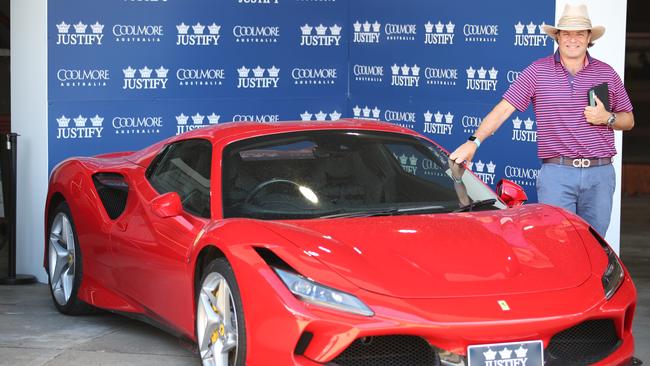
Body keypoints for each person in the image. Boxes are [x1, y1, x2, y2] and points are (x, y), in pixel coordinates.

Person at [449, 3, 634, 235]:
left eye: (580, 33)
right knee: (557, 242)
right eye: (566, 33)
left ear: (589, 38)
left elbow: (628, 120)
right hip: (557, 174)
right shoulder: (537, 71)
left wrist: (608, 118)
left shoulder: (606, 72)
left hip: (600, 174)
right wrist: (474, 141)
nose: (573, 39)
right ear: (557, 36)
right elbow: (503, 109)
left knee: (595, 246)